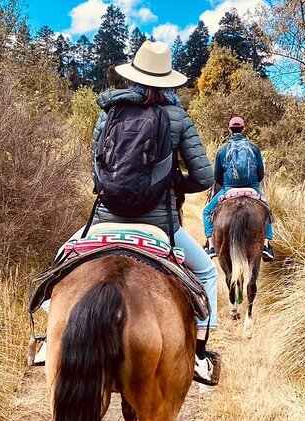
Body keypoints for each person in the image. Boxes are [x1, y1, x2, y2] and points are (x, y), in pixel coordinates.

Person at [85, 41, 218, 381]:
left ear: (133, 76)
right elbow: (204, 178)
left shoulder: (108, 112)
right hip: (161, 225)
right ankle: (200, 357)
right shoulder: (178, 117)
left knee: (60, 263)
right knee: (206, 273)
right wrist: (171, 183)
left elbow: (96, 172)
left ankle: (45, 341)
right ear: (168, 81)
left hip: (105, 220)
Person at [202, 116, 274, 261]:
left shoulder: (222, 150)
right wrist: (252, 184)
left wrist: (228, 185)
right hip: (252, 187)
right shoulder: (254, 147)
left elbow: (217, 175)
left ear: (230, 129)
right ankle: (266, 245)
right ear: (243, 128)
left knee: (207, 211)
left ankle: (210, 246)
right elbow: (260, 172)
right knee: (267, 211)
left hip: (229, 188)